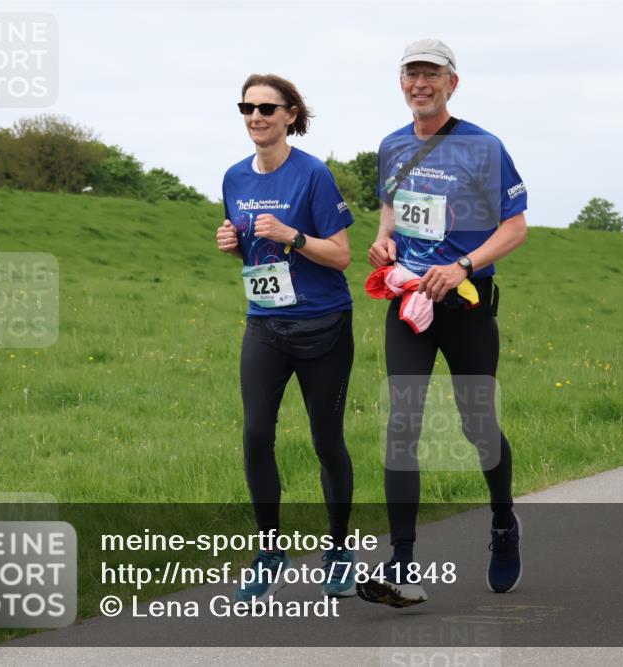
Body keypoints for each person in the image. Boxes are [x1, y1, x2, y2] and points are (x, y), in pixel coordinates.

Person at [357, 39, 528, 608]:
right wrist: (383, 241)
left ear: (452, 83)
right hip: (407, 301)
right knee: (401, 423)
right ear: (401, 82)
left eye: (431, 75)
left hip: (466, 303)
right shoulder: (392, 144)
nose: (419, 84)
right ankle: (402, 562)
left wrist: (461, 267)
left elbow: (515, 228)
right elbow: (391, 206)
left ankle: (503, 522)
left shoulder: (483, 146)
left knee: (476, 425)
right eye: (411, 75)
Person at [216, 74, 356, 601]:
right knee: (255, 435)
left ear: (291, 116)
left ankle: (340, 550)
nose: (256, 117)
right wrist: (232, 242)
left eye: (267, 109)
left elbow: (341, 254)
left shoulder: (313, 175)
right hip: (265, 324)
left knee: (326, 439)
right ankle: (269, 550)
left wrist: (293, 236)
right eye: (247, 108)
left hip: (323, 324)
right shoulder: (234, 177)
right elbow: (250, 250)